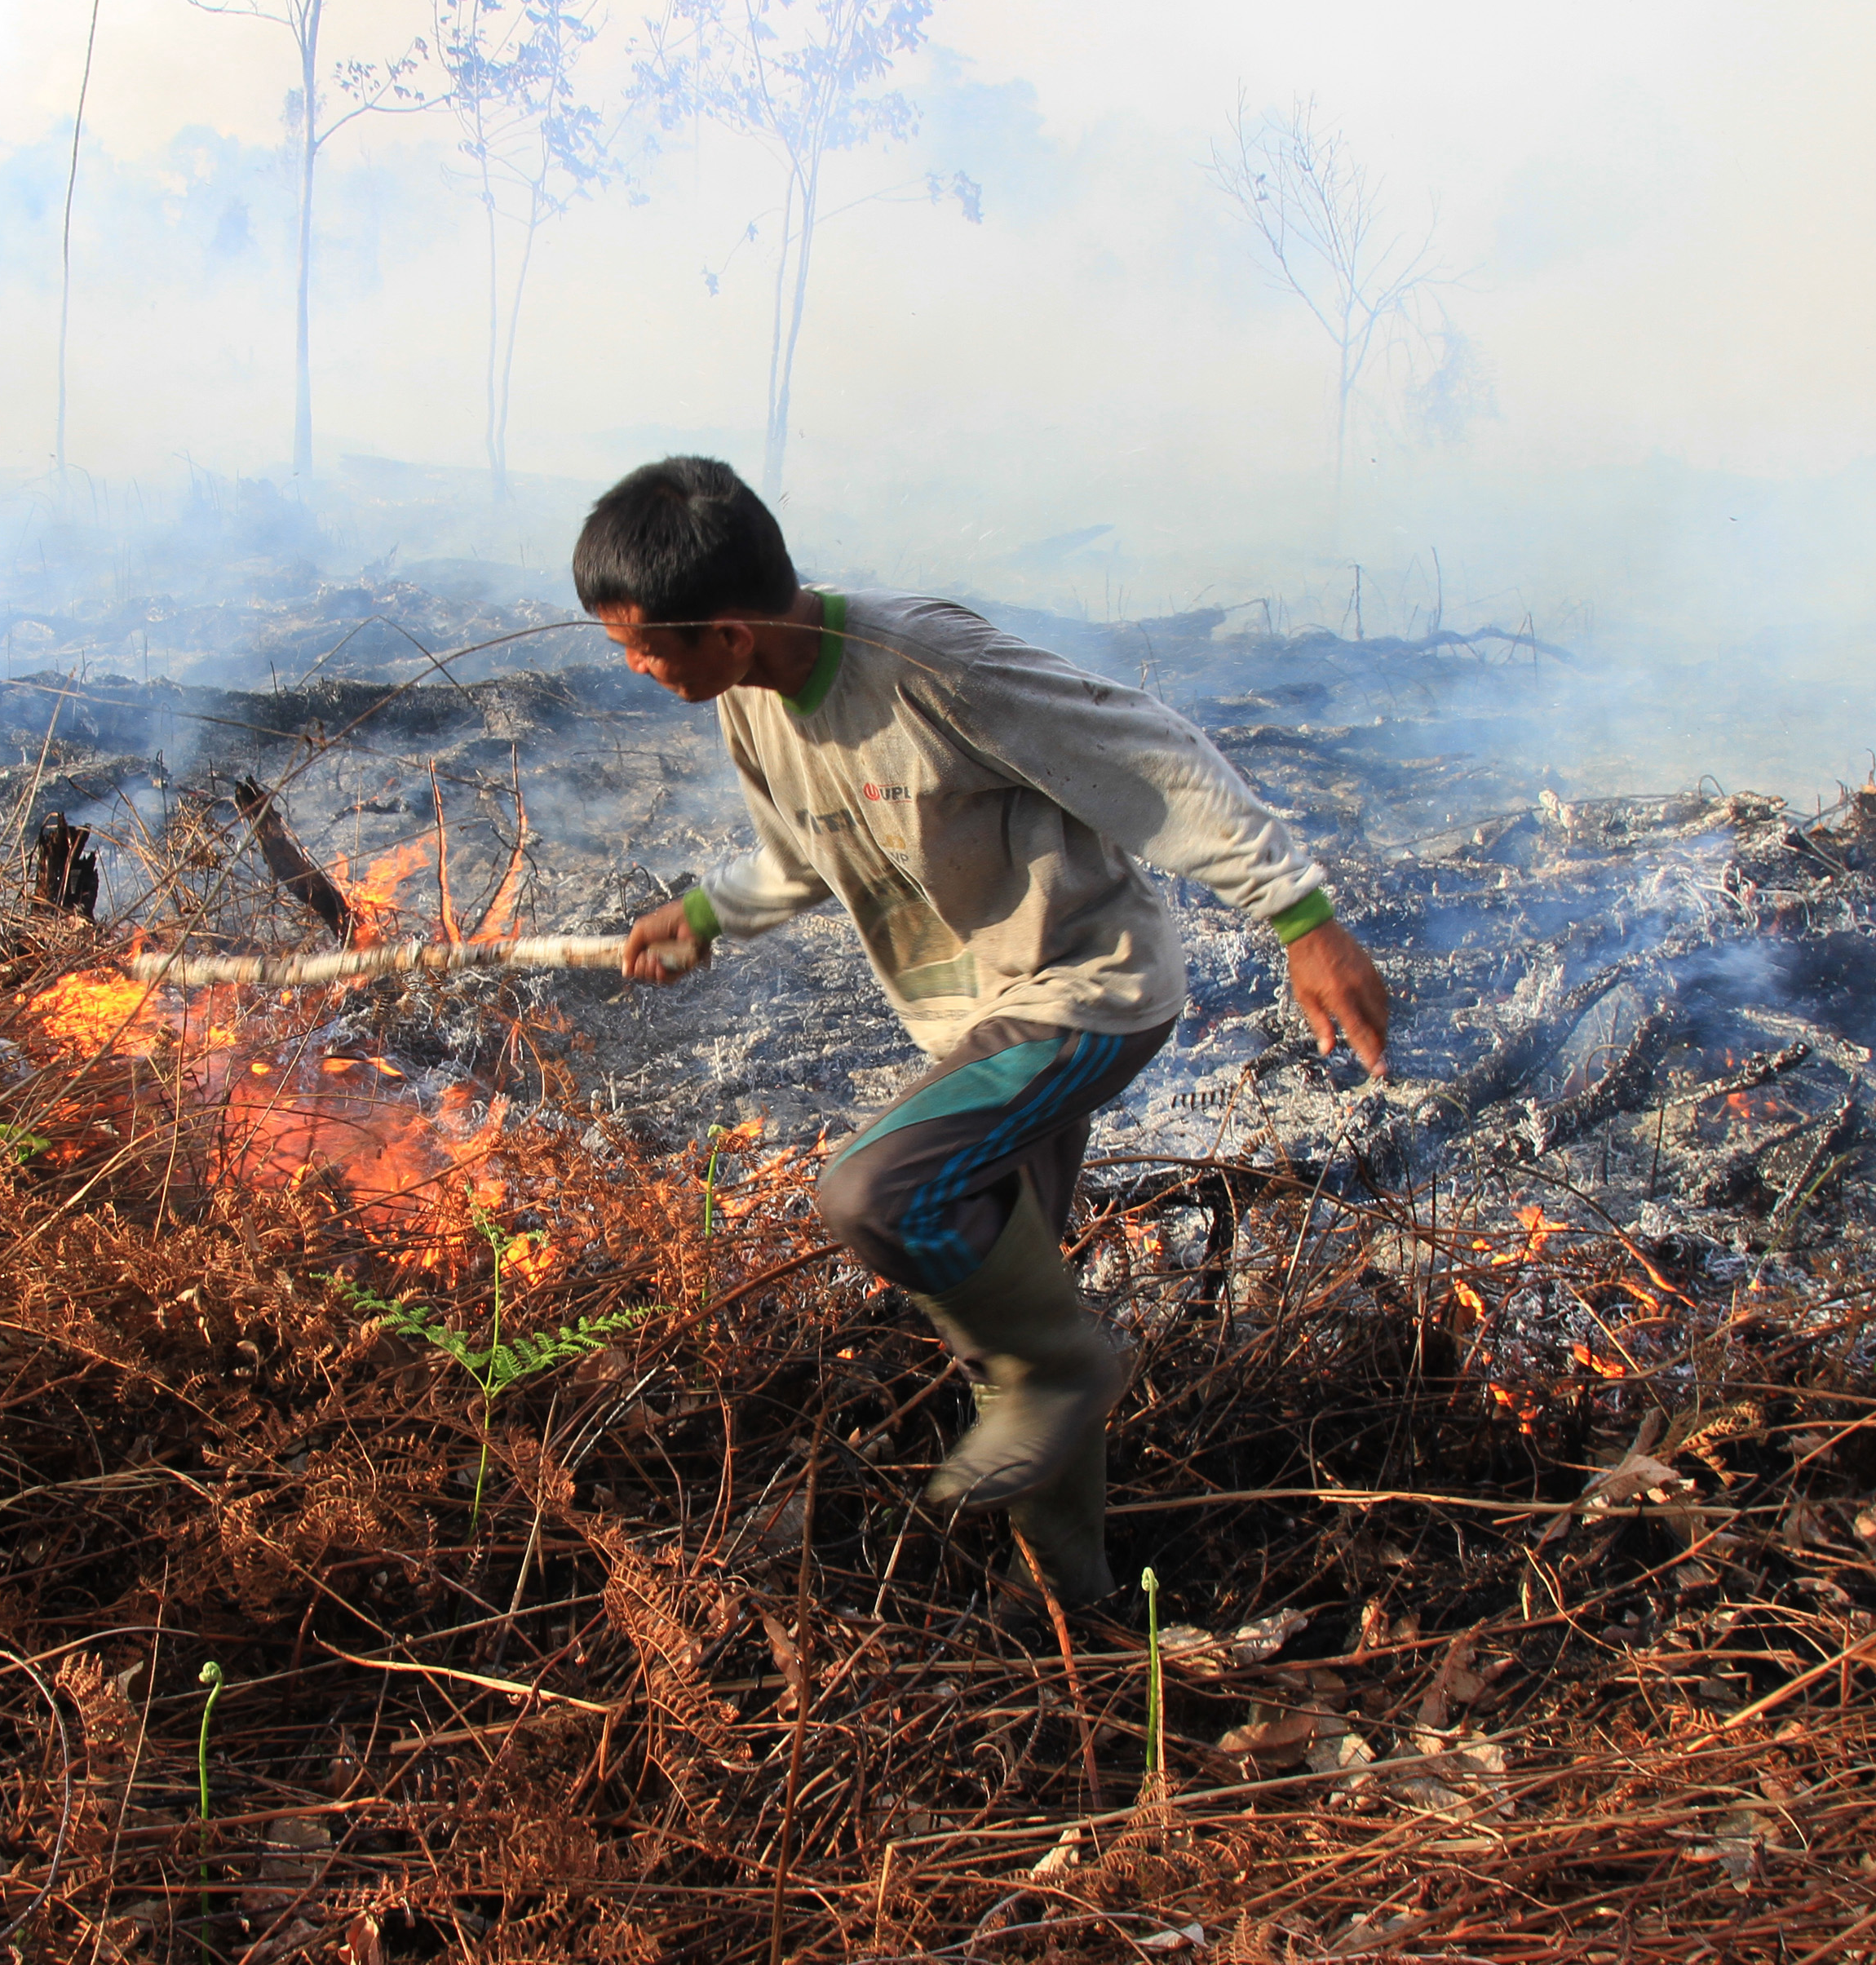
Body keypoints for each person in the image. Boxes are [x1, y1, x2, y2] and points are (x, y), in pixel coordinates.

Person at [579, 456, 1392, 1610]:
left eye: (647, 648)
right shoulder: (752, 705)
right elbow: (809, 852)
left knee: (875, 1195)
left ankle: (1069, 1373)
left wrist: (1302, 917)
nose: (636, 670)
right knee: (1004, 1327)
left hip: (1086, 992)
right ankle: (1078, 1603)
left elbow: (1149, 755)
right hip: (976, 1021)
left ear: (731, 628)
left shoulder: (931, 668)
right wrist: (713, 912)